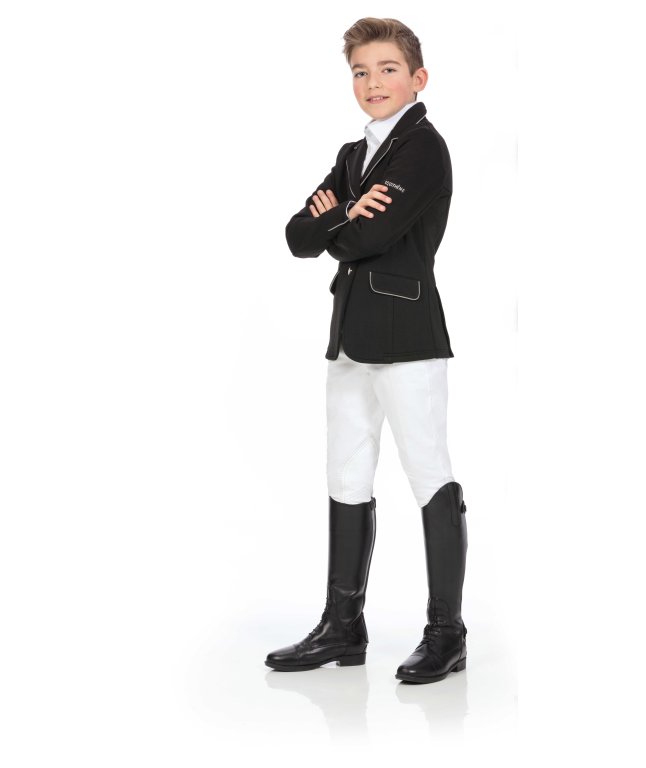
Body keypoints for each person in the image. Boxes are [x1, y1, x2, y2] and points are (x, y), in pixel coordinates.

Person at [265, 17, 468, 685]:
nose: (372, 82)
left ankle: (447, 633)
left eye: (387, 69)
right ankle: (342, 627)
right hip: (350, 335)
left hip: (408, 338)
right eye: (360, 71)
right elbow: (298, 236)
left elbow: (362, 241)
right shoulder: (353, 155)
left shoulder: (424, 148)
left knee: (429, 474)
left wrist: (341, 219)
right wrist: (344, 212)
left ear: (417, 78)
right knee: (345, 475)